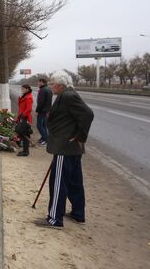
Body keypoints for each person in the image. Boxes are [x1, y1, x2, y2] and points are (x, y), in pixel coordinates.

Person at [35, 71, 94, 229]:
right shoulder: (67, 95)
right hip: (70, 148)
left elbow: (88, 114)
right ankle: (78, 214)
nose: (51, 86)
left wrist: (81, 137)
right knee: (74, 182)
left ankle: (54, 219)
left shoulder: (68, 96)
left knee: (58, 183)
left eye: (53, 83)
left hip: (64, 148)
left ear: (60, 84)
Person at [16, 84, 33, 157]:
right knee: (22, 133)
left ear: (27, 89)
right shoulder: (25, 96)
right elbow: (20, 105)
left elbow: (29, 109)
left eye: (23, 89)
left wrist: (23, 115)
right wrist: (20, 96)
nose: (22, 90)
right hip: (21, 116)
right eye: (22, 89)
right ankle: (25, 150)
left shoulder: (29, 97)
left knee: (24, 133)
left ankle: (26, 151)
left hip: (25, 117)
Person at [35, 78, 53, 146]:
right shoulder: (48, 89)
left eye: (39, 82)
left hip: (42, 111)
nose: (38, 83)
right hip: (47, 110)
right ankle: (43, 138)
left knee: (39, 125)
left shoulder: (42, 90)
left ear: (42, 82)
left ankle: (46, 140)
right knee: (44, 125)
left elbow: (41, 102)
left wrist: (37, 111)